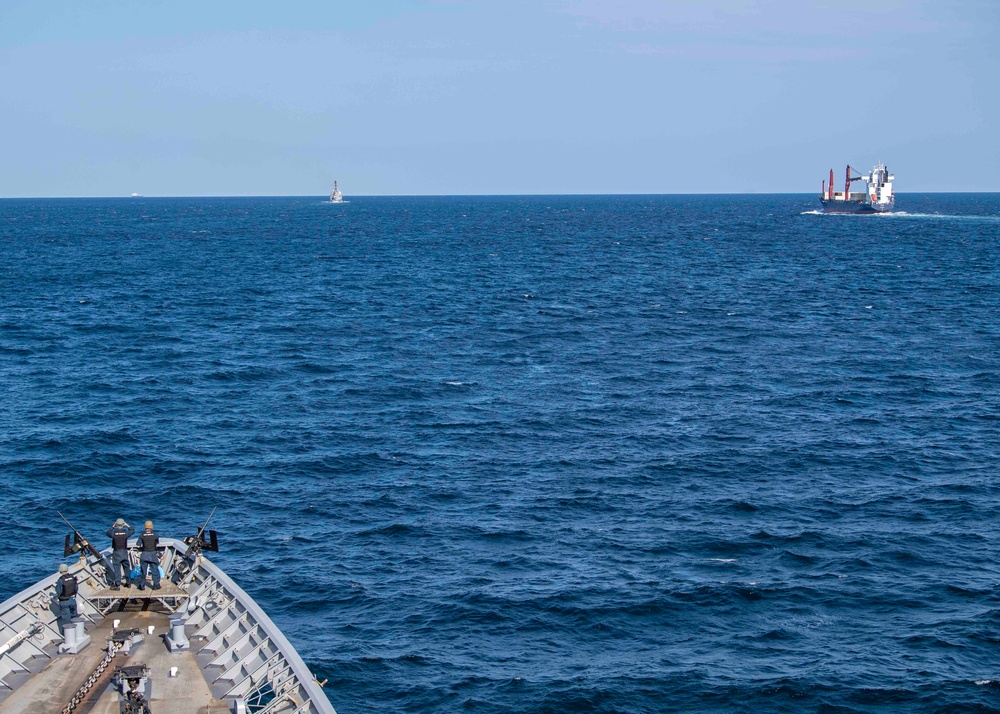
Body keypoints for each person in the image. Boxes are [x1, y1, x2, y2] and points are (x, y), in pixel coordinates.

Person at [106, 518, 134, 590]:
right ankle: (128, 583)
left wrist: (112, 526)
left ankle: (117, 585)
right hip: (124, 552)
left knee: (117, 568)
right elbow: (132, 530)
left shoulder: (114, 533)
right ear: (123, 525)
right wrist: (127, 525)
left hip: (117, 552)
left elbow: (108, 532)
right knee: (126, 568)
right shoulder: (125, 533)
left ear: (116, 525)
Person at [136, 520, 160, 590]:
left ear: (145, 527)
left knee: (143, 571)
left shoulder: (142, 534)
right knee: (155, 571)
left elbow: (138, 544)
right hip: (152, 554)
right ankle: (156, 585)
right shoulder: (155, 534)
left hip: (144, 554)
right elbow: (157, 542)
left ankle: (142, 586)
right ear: (152, 527)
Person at [55, 563, 78, 628]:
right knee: (74, 616)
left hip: (64, 601)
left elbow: (59, 592)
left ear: (60, 570)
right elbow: (76, 588)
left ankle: (68, 635)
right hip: (72, 600)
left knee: (66, 619)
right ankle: (77, 630)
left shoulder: (60, 580)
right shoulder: (72, 577)